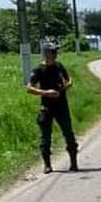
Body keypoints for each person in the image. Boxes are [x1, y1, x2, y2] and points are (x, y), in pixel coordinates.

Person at [27, 43, 78, 174]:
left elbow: (68, 79)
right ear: (45, 53)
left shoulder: (59, 66)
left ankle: (74, 163)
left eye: (55, 52)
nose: (55, 54)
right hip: (47, 107)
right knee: (45, 137)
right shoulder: (39, 70)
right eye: (52, 52)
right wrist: (46, 92)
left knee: (69, 134)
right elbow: (29, 88)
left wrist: (68, 84)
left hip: (61, 106)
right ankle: (47, 165)